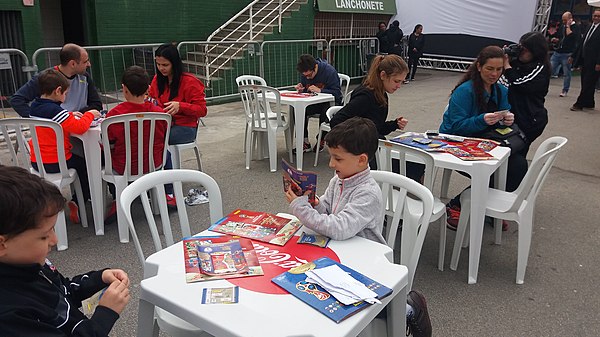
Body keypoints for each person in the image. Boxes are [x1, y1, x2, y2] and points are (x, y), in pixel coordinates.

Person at [284, 117, 432, 337]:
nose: (331, 164)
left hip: (369, 263)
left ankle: (408, 309)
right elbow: (329, 210)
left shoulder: (368, 193)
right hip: (342, 250)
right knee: (303, 280)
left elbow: (339, 227)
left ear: (362, 160)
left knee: (355, 306)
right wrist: (316, 203)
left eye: (337, 158)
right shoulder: (339, 178)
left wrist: (300, 208)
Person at [0, 165, 130, 336]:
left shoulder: (30, 262)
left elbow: (63, 290)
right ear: (2, 244)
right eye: (44, 236)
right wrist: (105, 314)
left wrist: (99, 278)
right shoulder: (10, 316)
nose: (55, 240)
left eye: (53, 229)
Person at [440, 46, 527, 230]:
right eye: (490, 68)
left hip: (483, 140)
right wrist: (482, 120)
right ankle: (459, 204)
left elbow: (503, 117)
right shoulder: (465, 91)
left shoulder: (501, 90)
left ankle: (482, 207)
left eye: (499, 69)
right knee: (497, 167)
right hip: (456, 142)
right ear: (479, 66)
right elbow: (455, 127)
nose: (494, 74)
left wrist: (507, 120)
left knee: (518, 165)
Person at [29, 69, 101, 224]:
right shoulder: (54, 110)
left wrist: (70, 115)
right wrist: (90, 114)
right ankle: (79, 201)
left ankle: (76, 201)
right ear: (57, 91)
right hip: (56, 162)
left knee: (78, 162)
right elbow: (80, 127)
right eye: (66, 93)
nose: (66, 97)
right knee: (84, 165)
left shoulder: (35, 107)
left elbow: (61, 117)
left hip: (37, 161)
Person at [104, 66, 170, 221]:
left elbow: (109, 144)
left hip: (123, 167)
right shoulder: (160, 114)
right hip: (154, 164)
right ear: (148, 89)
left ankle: (116, 198)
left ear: (124, 89)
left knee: (103, 157)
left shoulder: (114, 116)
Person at [329, 54, 409, 170]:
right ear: (383, 75)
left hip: (374, 148)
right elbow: (337, 121)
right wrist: (359, 142)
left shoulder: (381, 94)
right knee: (411, 164)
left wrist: (394, 124)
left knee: (413, 163)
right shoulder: (366, 96)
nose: (399, 86)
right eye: (396, 81)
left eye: (401, 82)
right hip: (367, 153)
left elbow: (376, 127)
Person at [10, 43, 102, 117]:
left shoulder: (85, 77)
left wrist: (77, 115)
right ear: (73, 64)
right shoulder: (46, 78)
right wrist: (35, 119)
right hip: (57, 128)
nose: (89, 64)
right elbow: (17, 100)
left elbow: (96, 104)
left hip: (77, 123)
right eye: (85, 61)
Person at [499, 31, 551, 153]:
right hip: (511, 118)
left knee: (517, 153)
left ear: (535, 51)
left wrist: (507, 65)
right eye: (520, 47)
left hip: (529, 120)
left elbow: (520, 83)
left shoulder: (540, 68)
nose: (521, 52)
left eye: (525, 50)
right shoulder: (516, 63)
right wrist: (506, 58)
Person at [148, 43, 208, 145]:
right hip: (162, 124)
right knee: (140, 136)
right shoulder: (156, 80)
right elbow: (152, 99)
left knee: (155, 140)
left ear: (174, 63)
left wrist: (180, 106)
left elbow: (202, 110)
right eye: (158, 64)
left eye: (165, 65)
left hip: (185, 127)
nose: (161, 68)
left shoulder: (190, 82)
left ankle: (165, 161)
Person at [294, 54, 343, 153]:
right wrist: (301, 89)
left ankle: (321, 138)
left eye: (309, 75)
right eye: (304, 76)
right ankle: (304, 140)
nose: (307, 78)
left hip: (330, 103)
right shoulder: (306, 73)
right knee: (297, 109)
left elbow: (337, 93)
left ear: (315, 67)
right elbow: (306, 90)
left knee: (326, 110)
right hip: (314, 102)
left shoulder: (329, 71)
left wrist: (320, 90)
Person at [569, 9, 600, 111]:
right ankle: (589, 102)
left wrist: (599, 62)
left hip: (594, 62)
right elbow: (582, 43)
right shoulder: (589, 27)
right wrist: (573, 56)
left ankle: (579, 103)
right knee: (585, 81)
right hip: (585, 59)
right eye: (595, 15)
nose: (596, 18)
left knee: (588, 82)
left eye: (598, 16)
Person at [549, 11, 580, 97]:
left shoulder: (576, 27)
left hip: (567, 53)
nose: (563, 22)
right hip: (558, 52)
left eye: (565, 20)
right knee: (549, 70)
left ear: (570, 19)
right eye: (563, 20)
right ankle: (543, 87)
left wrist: (568, 26)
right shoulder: (562, 26)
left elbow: (571, 36)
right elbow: (562, 37)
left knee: (567, 73)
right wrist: (556, 40)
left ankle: (565, 90)